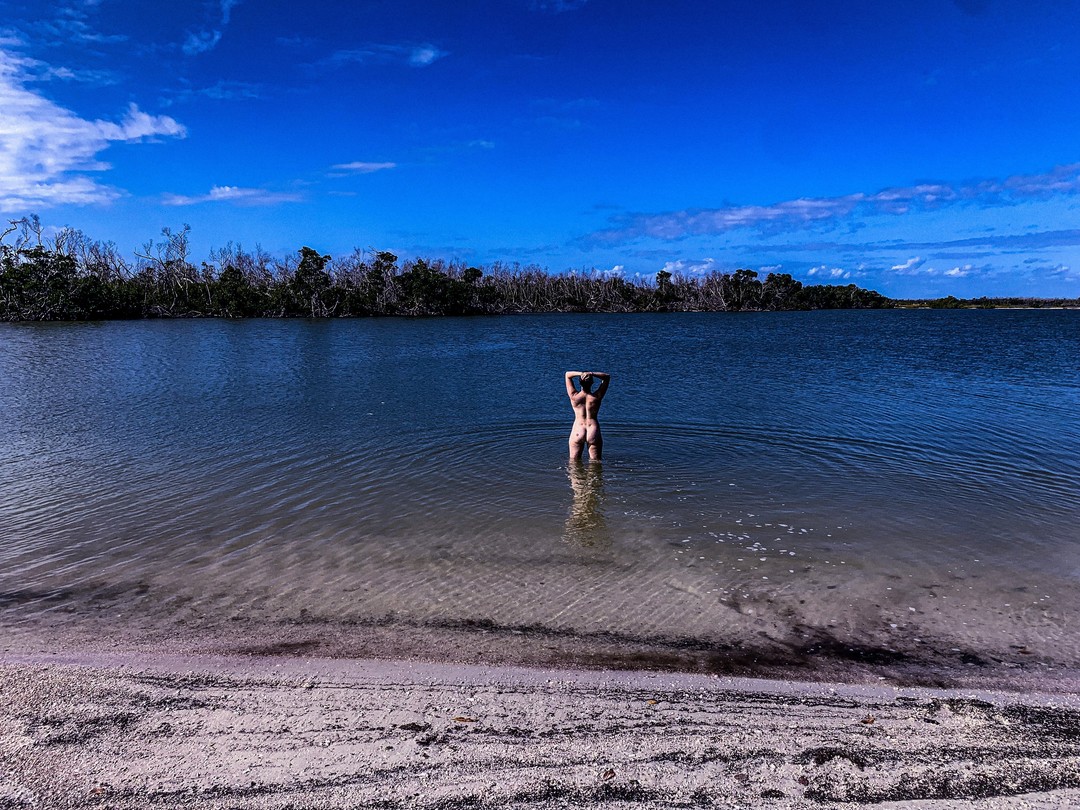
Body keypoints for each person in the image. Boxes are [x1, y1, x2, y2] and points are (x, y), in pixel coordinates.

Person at [565, 370, 610, 460]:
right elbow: (607, 377)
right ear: (592, 383)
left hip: (578, 429)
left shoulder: (574, 397)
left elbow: (567, 375)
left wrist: (581, 374)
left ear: (580, 382)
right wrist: (591, 373)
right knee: (595, 462)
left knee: (574, 462)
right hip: (593, 430)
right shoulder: (597, 397)